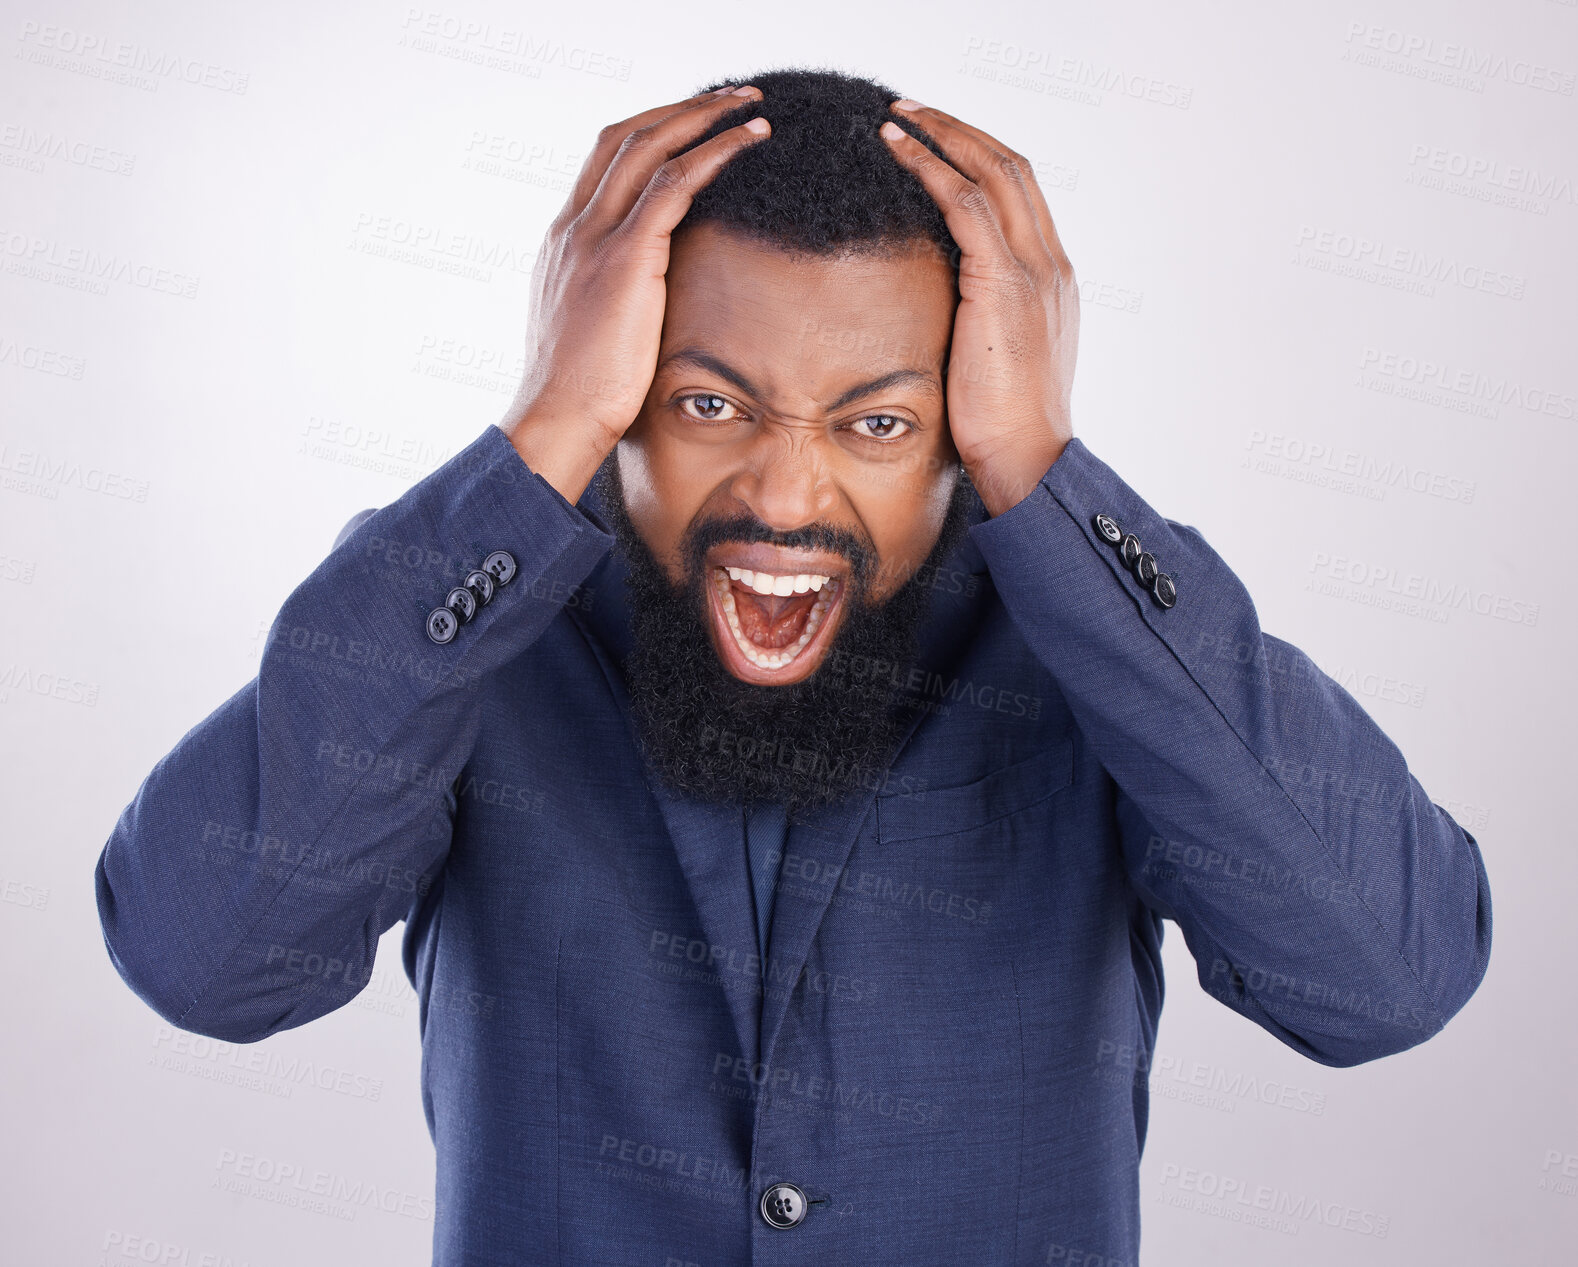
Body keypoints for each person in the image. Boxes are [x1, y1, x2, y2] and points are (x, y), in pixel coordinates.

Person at [93, 67, 1493, 1264]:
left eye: (876, 423)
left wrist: (1042, 471)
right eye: (707, 402)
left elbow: (1381, 978)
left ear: (961, 418)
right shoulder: (467, 618)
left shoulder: (1090, 642)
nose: (784, 491)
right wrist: (537, 437)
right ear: (616, 379)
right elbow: (204, 963)